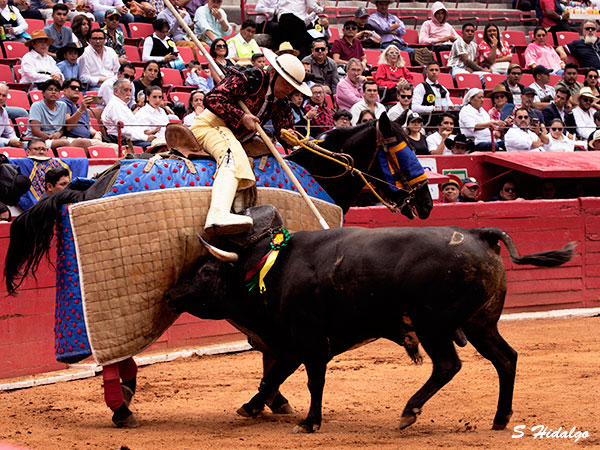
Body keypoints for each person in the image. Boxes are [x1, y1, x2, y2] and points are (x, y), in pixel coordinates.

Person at [191, 49, 309, 234]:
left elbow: (284, 131)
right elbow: (213, 98)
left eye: (293, 87)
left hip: (239, 136)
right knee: (233, 155)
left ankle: (237, 212)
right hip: (210, 126)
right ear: (272, 73)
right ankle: (218, 213)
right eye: (286, 84)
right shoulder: (252, 76)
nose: (288, 90)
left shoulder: (282, 102)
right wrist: (242, 117)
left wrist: (290, 137)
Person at [59, 78, 119, 151]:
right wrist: (81, 109)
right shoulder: (63, 103)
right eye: (73, 87)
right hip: (73, 140)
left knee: (118, 147)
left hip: (88, 140)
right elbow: (68, 126)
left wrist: (97, 133)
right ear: (64, 90)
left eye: (79, 88)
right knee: (116, 149)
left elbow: (89, 127)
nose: (77, 90)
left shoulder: (81, 106)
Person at [102, 78, 157, 148]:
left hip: (132, 140)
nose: (129, 94)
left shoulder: (122, 104)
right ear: (116, 91)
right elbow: (124, 131)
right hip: (123, 142)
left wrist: (146, 133)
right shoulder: (115, 105)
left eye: (130, 90)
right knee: (155, 147)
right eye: (126, 90)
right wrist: (145, 138)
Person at [0, 83, 24, 149]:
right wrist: (9, 142)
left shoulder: (3, 111)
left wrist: (17, 141)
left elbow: (9, 132)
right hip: (1, 143)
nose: (1, 98)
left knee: (28, 145)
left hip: (4, 141)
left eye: (4, 96)